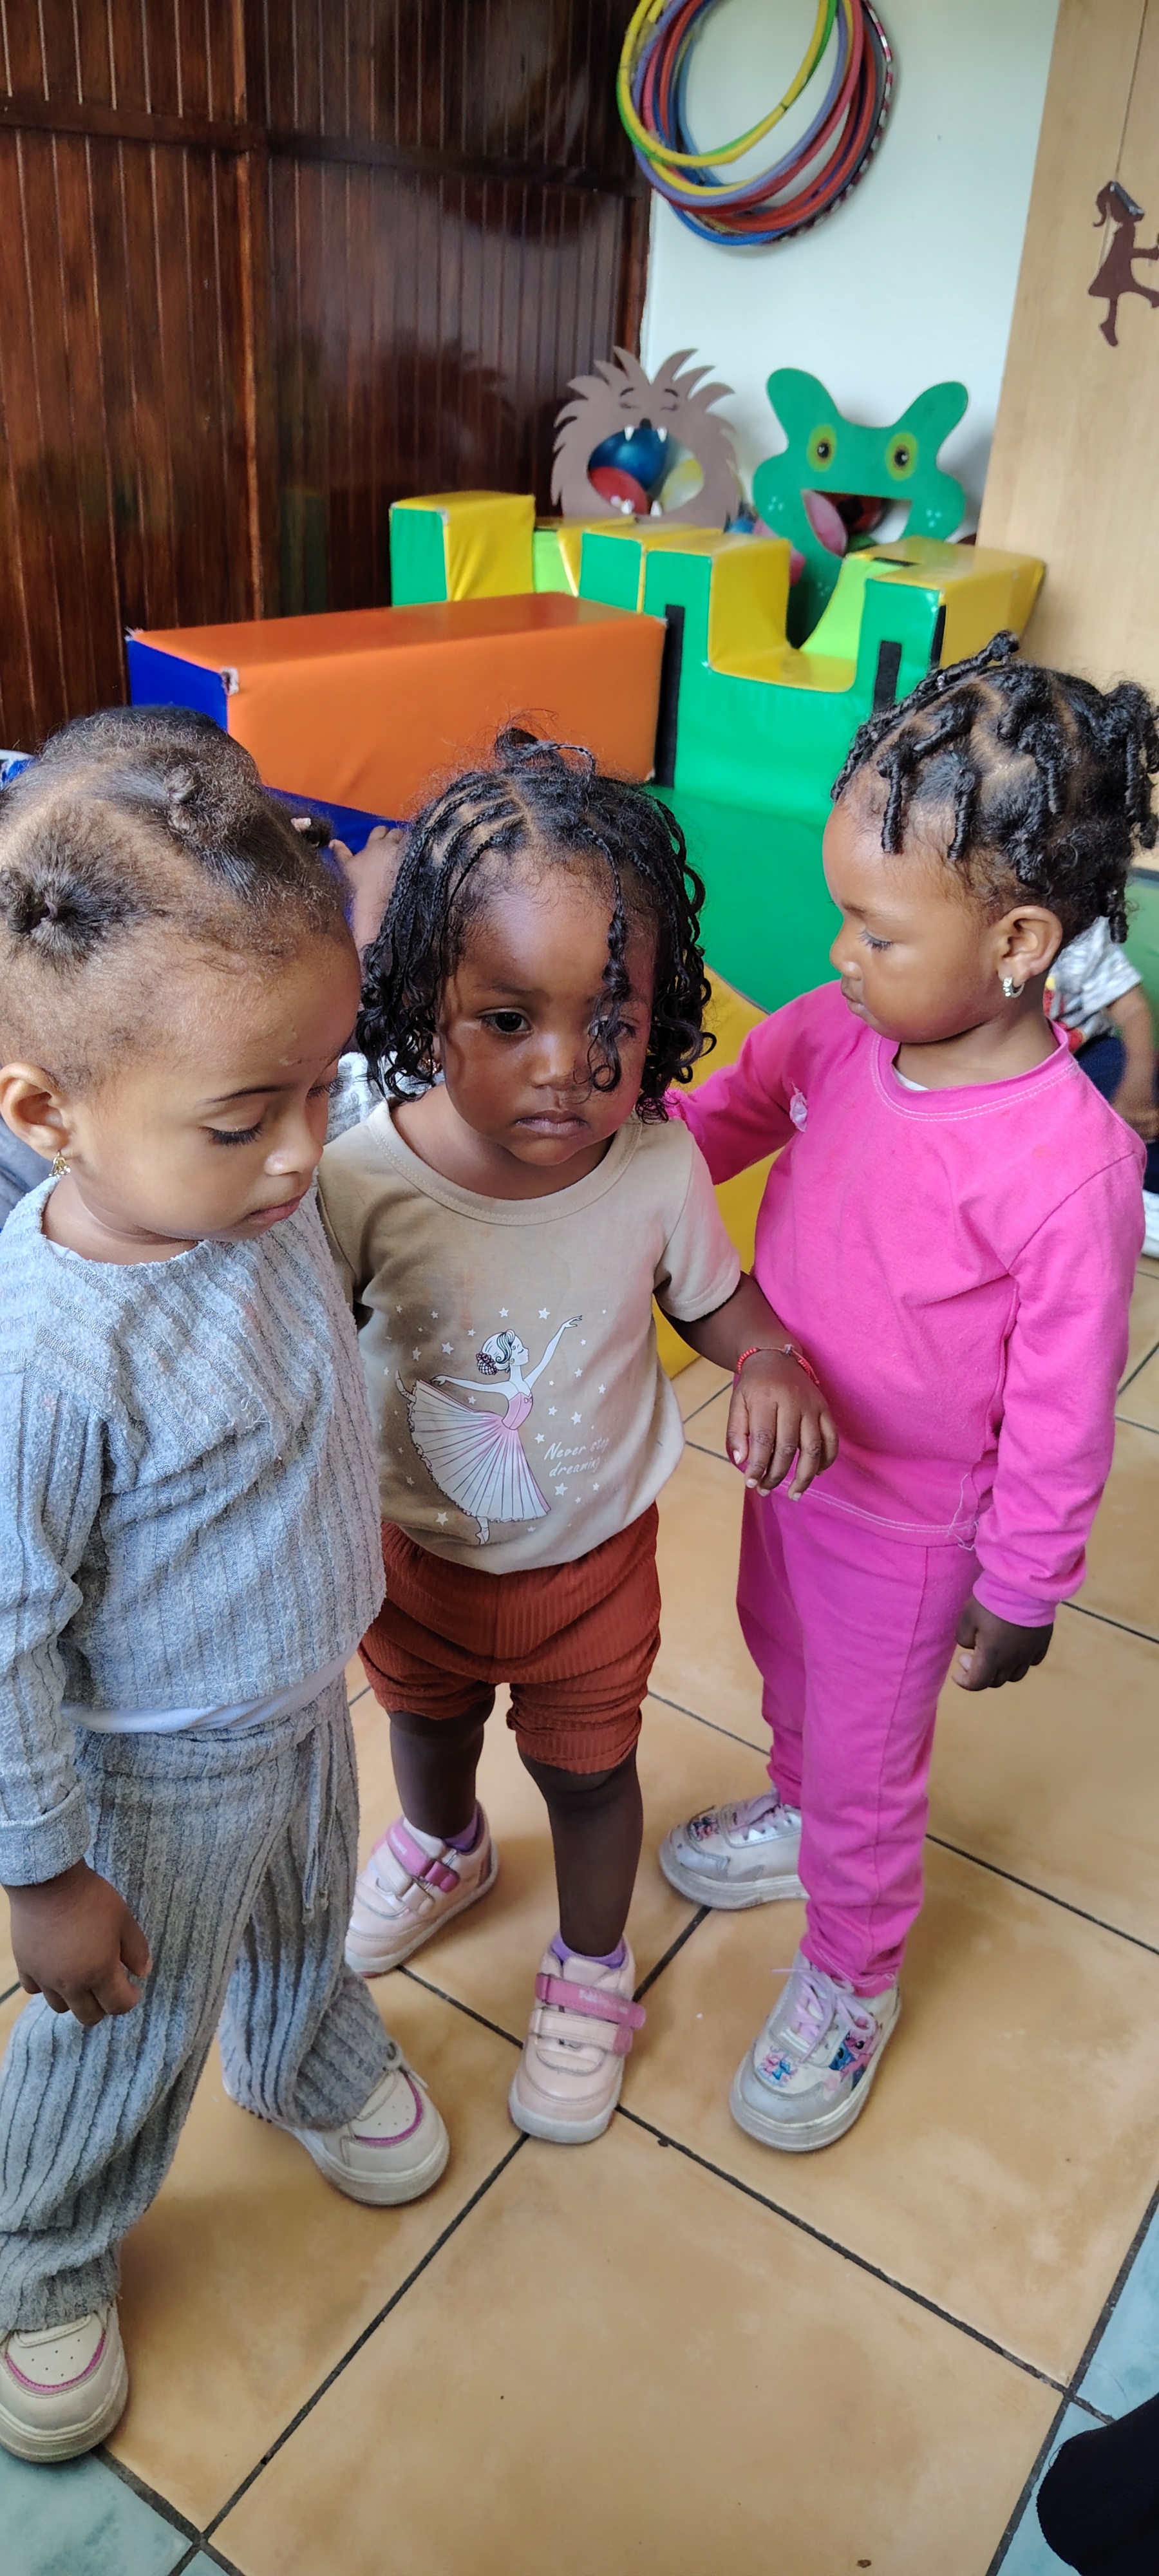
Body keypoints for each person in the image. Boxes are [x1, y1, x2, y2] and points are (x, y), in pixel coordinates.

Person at [0, 723, 448, 2466]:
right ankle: (43, 2240)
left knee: (302, 1907)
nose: (297, 1152)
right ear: (47, 1114)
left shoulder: (249, 1197)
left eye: (321, 1088)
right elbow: (7, 1638)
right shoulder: (49, 1354)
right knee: (129, 2019)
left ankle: (305, 2045)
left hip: (296, 1687)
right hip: (153, 1760)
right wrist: (46, 1873)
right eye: (245, 1116)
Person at [659, 635, 1149, 2153]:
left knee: (876, 1766)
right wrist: (598, 1165)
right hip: (791, 1470)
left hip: (917, 1527)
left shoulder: (1068, 1164)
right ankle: (796, 1800)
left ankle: (850, 1968)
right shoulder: (833, 1032)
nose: (837, 954)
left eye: (874, 930)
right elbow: (711, 1126)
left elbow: (1064, 1409)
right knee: (783, 1661)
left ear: (1017, 941)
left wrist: (1026, 1582)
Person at [318, 731, 837, 2146]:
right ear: (425, 1005)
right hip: (413, 1552)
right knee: (425, 1725)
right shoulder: (363, 1178)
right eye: (507, 1019)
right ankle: (445, 1845)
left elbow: (711, 1298)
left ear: (661, 1014)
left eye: (610, 1019)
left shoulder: (657, 1164)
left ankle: (594, 1968)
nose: (565, 1069)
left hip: (593, 1565)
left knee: (591, 1773)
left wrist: (770, 1357)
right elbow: (306, 1342)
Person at [1048, 910, 1159, 1254]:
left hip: (1084, 1055)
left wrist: (1137, 1088)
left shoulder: (1080, 929)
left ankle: (1145, 1192)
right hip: (995, 1067)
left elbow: (1132, 1010)